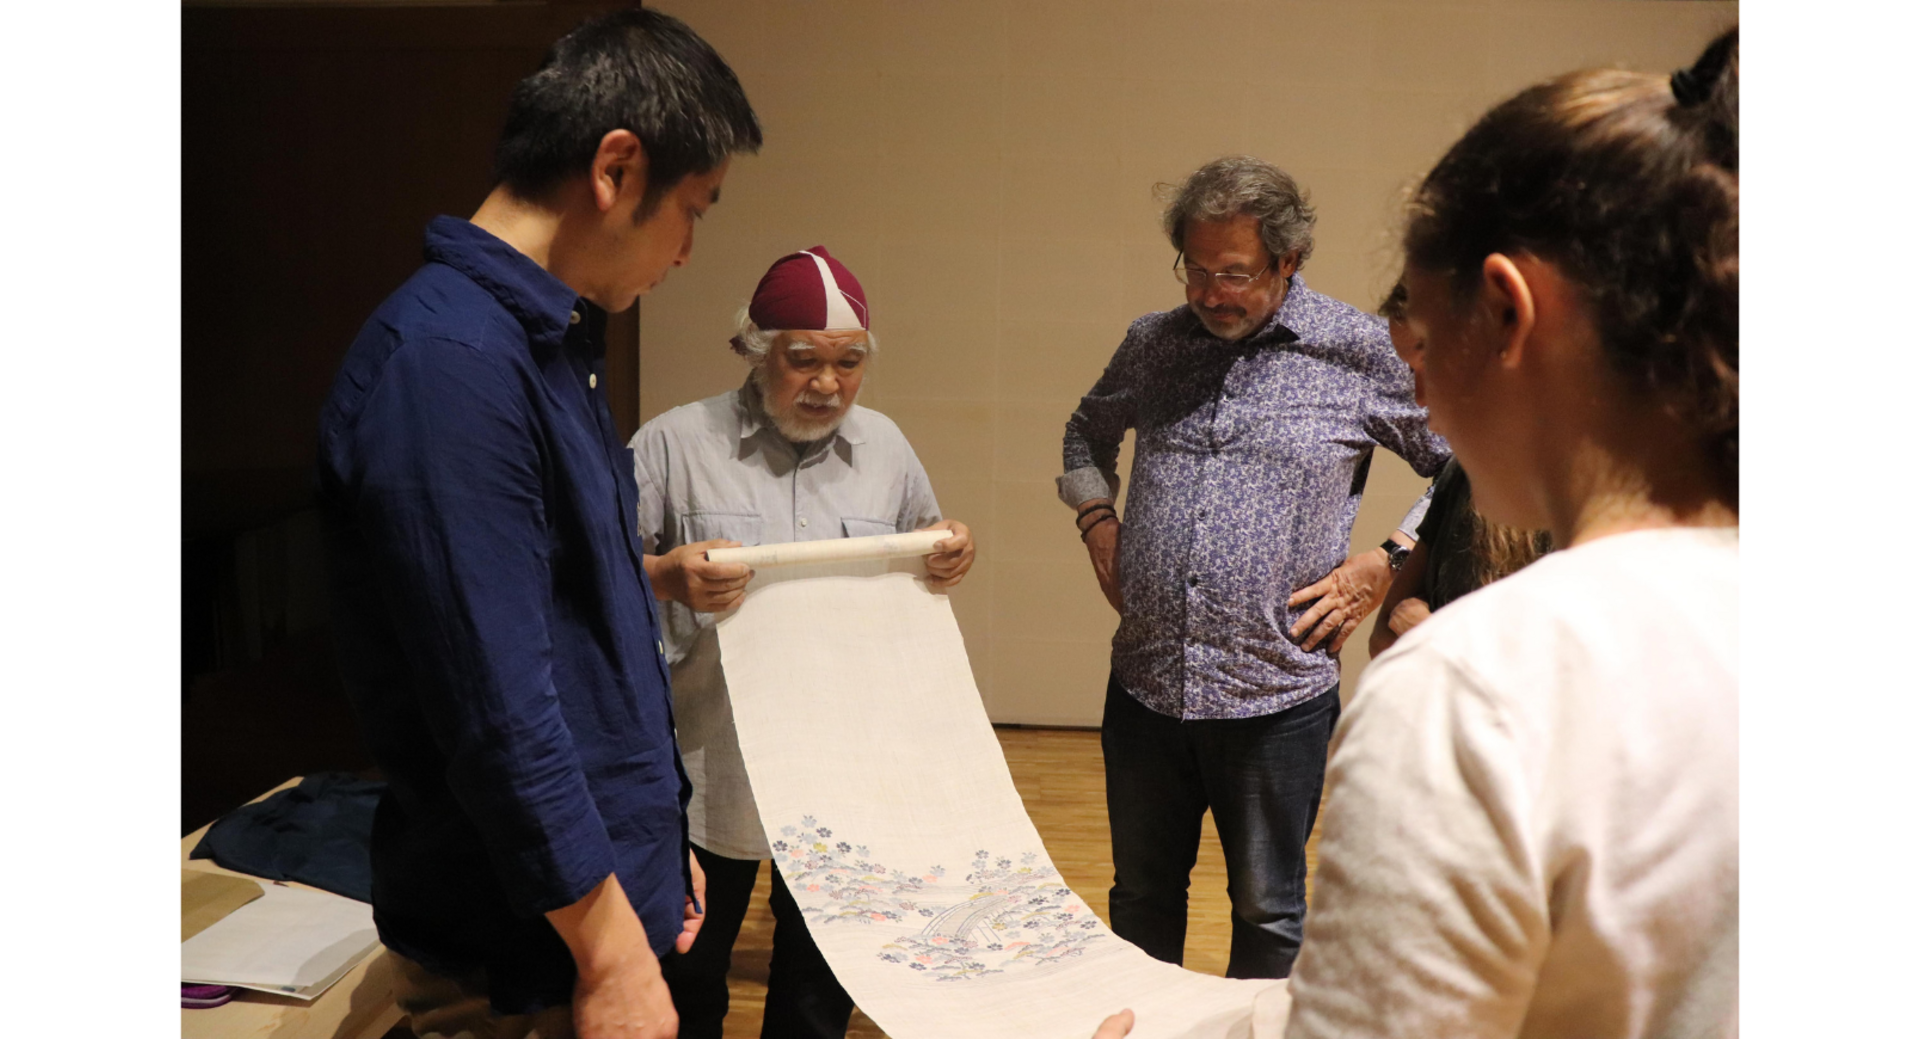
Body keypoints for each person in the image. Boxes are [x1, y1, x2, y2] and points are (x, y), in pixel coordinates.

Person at [1098, 25, 1739, 1039]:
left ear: (1507, 310)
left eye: (1426, 344)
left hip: (1276, 699)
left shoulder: (1468, 692)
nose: (1420, 392)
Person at [315, 9, 761, 1038]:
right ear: (616, 168)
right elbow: (496, 704)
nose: (691, 248)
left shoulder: (547, 344)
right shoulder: (451, 365)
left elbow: (578, 618)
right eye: (693, 208)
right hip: (529, 958)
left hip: (587, 913)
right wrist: (607, 945)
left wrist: (654, 838)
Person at [1059, 156, 1450, 979]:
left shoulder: (1355, 350)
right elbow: (1085, 433)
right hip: (1146, 690)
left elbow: (1461, 469)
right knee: (1140, 900)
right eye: (1196, 270)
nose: (1209, 293)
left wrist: (1386, 562)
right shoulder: (1153, 343)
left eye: (1234, 274)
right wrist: (1098, 517)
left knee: (1269, 911)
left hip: (1277, 698)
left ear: (1288, 261)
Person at [629, 246, 975, 1039]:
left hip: (844, 771)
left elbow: (926, 550)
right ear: (755, 350)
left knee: (819, 989)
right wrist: (663, 575)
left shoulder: (885, 447)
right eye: (804, 360)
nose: (828, 384)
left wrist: (953, 549)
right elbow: (587, 570)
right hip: (709, 768)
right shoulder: (674, 444)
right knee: (689, 979)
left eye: (848, 362)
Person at [1367, 282, 1552, 658]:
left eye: (1428, 364)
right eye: (1410, 371)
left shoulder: (1574, 498)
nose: (1420, 397)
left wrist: (1431, 632)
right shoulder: (1462, 474)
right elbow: (1384, 635)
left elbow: (1549, 681)